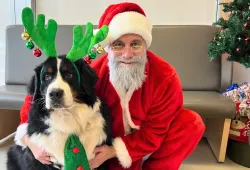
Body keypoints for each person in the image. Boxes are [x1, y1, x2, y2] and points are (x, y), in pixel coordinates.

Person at [15, 2, 206, 170]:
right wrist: (29, 140)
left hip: (141, 143)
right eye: (118, 45)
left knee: (191, 123)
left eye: (136, 44)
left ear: (146, 44)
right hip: (107, 146)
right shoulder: (94, 72)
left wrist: (115, 151)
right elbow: (34, 99)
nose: (128, 54)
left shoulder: (165, 77)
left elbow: (156, 131)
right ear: (108, 48)